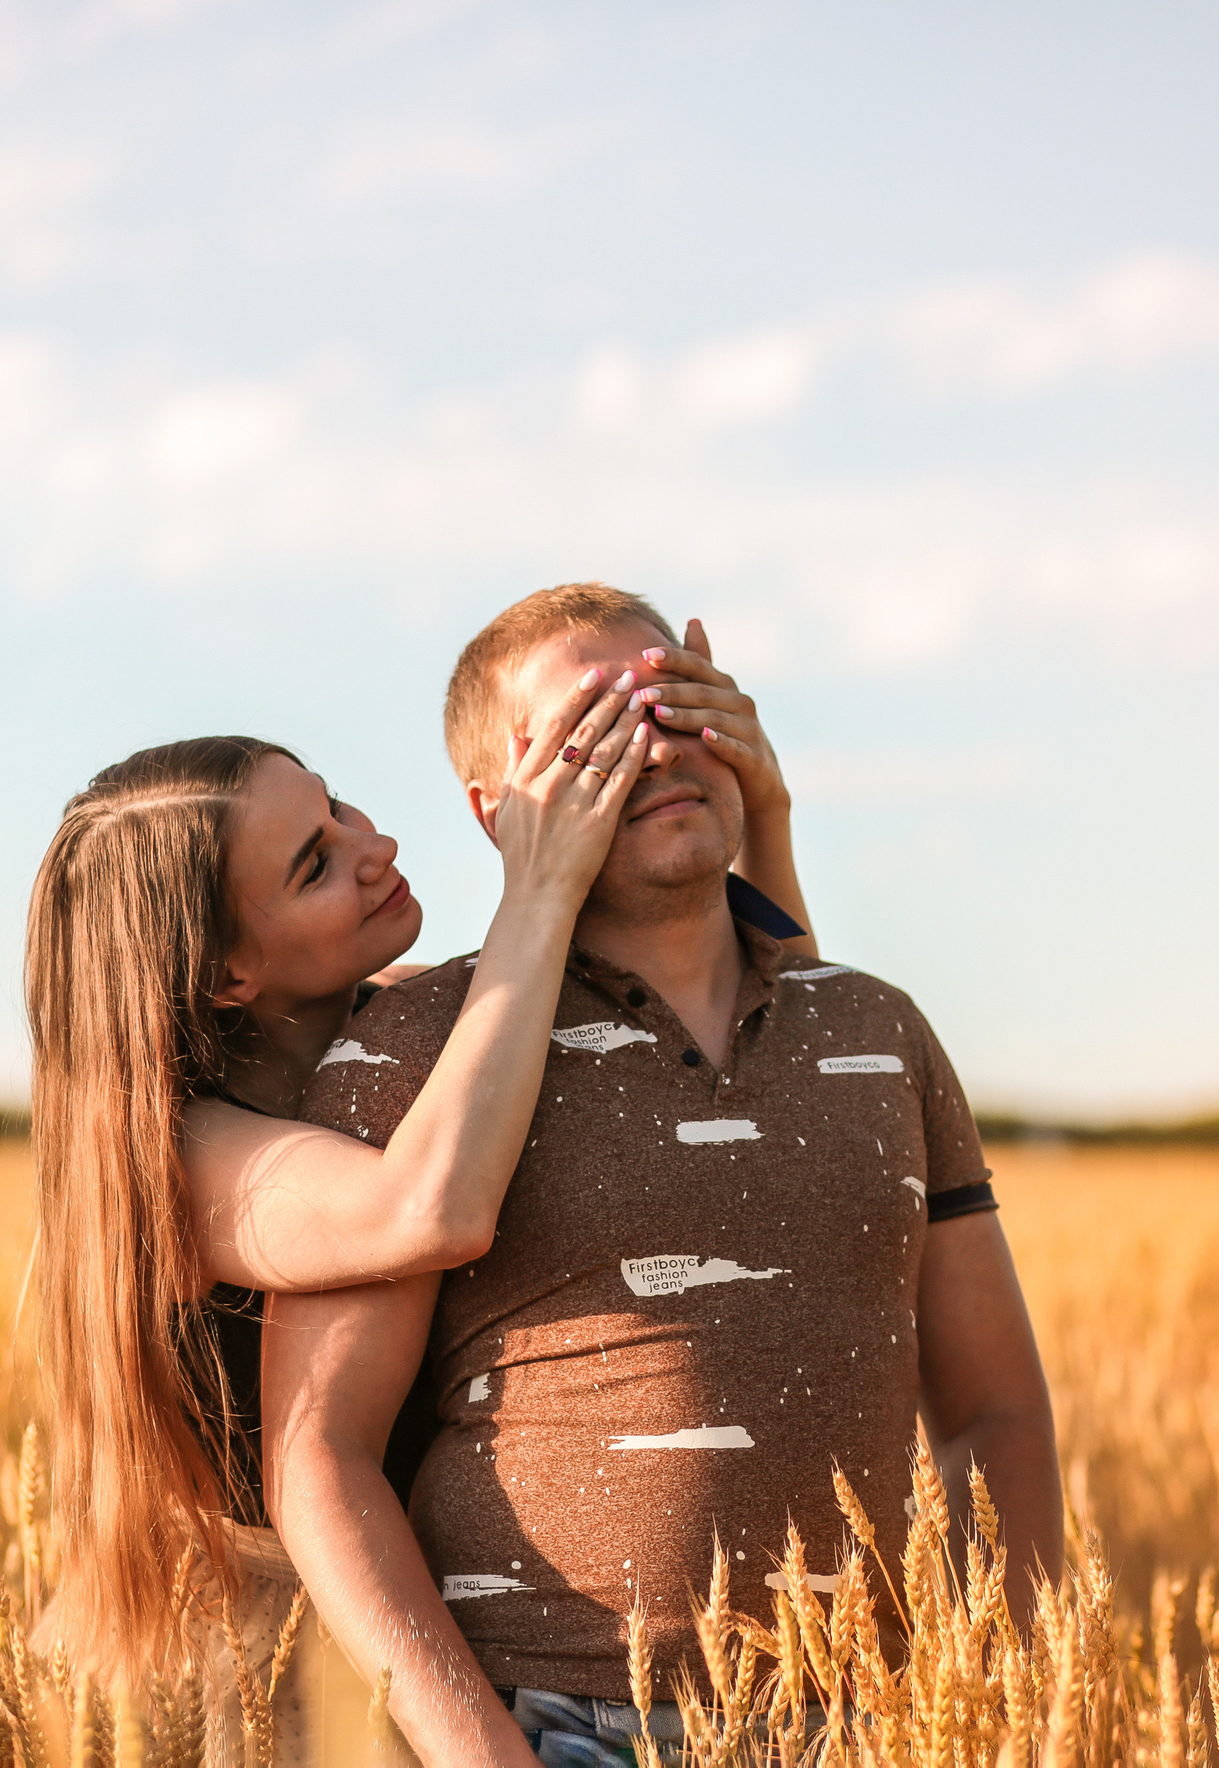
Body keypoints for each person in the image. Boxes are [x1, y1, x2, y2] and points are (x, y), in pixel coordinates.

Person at [263, 583, 1065, 1768]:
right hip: (561, 1724)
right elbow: (317, 1452)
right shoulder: (415, 1046)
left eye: (675, 702)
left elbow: (996, 1407)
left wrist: (1008, 1698)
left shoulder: (877, 1029)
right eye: (591, 731)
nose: (650, 748)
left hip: (881, 1725)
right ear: (498, 812)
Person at [20, 616, 815, 1727]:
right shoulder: (185, 1156)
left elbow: (795, 1079)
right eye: (314, 864)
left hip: (414, 1644)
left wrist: (758, 815)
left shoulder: (423, 1030)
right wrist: (537, 892)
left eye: (338, 806)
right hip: (258, 1672)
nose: (374, 844)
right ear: (228, 978)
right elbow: (427, 1207)